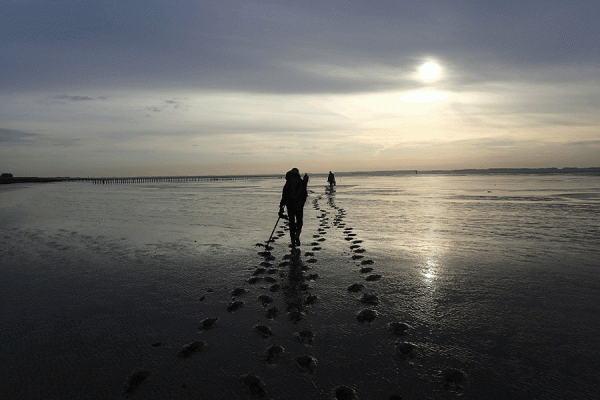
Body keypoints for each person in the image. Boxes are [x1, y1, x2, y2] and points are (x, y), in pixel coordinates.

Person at [279, 168, 309, 247]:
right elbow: (305, 194)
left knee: (291, 223)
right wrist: (306, 180)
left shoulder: (288, 183)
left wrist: (281, 207)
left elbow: (284, 196)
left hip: (290, 206)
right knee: (299, 222)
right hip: (299, 206)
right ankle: (297, 235)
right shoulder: (301, 182)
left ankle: (293, 240)